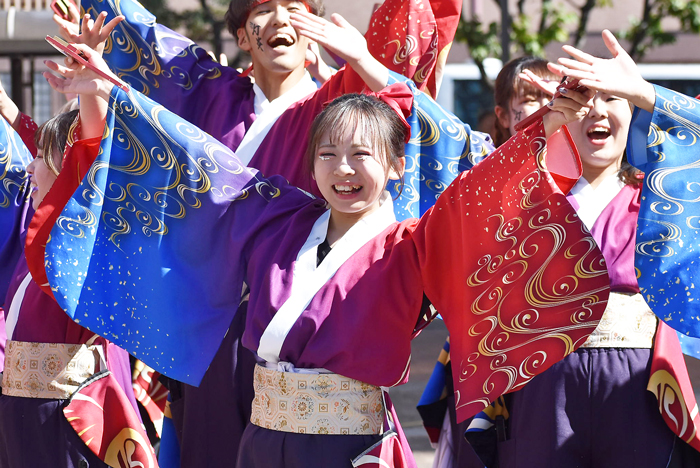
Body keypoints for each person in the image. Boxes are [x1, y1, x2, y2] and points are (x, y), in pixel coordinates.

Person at [40, 39, 612, 467]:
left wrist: (543, 128)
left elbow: (480, 191)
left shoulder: (412, 243)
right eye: (329, 154)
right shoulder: (279, 220)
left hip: (350, 446)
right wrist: (108, 94)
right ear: (310, 165)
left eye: (362, 154)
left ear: (395, 167)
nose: (344, 169)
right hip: (261, 441)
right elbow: (195, 162)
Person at [478, 30, 700, 467]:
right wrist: (538, 134)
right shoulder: (527, 195)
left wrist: (645, 92)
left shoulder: (665, 198)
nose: (595, 109)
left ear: (634, 112)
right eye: (581, 98)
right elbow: (466, 202)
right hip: (543, 377)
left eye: (612, 98)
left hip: (639, 380)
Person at [417, 56, 560, 468]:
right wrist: (361, 60)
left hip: (561, 357)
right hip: (487, 346)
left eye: (553, 97)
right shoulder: (480, 161)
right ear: (502, 114)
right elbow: (423, 112)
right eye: (531, 99)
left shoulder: (589, 168)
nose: (544, 108)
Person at [0, 101, 154, 466]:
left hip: (66, 415)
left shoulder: (84, 245)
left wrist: (91, 91)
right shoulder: (34, 244)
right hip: (21, 417)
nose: (28, 167)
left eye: (40, 156)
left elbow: (98, 158)